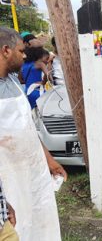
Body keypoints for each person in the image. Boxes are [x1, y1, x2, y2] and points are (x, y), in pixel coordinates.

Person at [0, 26, 67, 241]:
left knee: (41, 221)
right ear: (5, 50)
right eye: (21, 51)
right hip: (8, 176)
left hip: (33, 169)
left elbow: (28, 127)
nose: (25, 55)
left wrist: (49, 160)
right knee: (18, 226)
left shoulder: (13, 82)